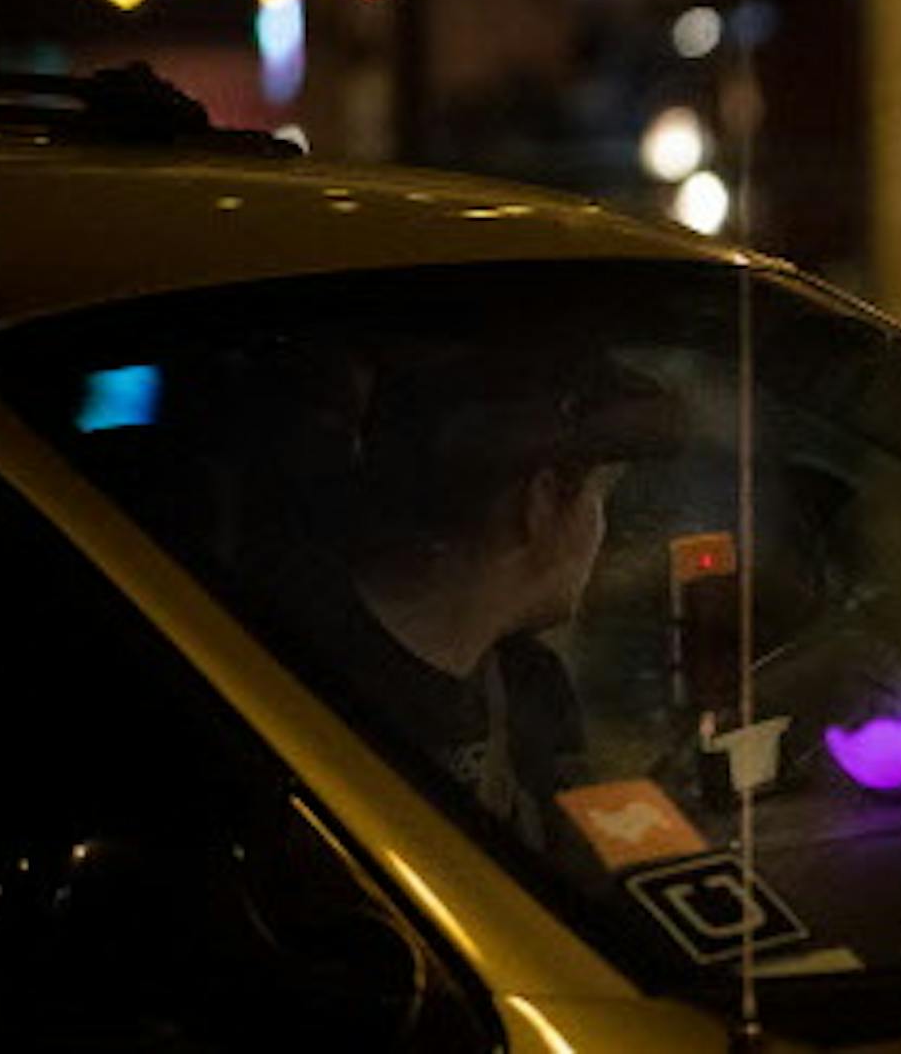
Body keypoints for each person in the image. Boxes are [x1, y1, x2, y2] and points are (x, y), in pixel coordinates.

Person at [256, 344, 678, 851]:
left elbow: (594, 866)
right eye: (598, 496)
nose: (601, 529)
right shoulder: (309, 702)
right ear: (539, 501)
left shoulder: (528, 681)